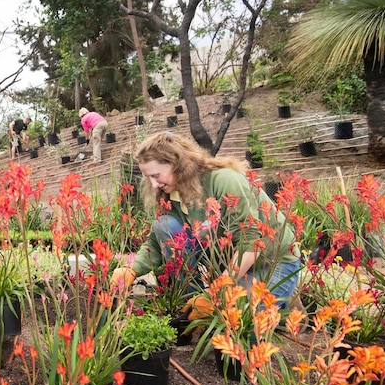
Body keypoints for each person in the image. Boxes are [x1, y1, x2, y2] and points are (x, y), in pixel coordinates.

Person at [111, 132, 300, 308]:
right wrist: (131, 269)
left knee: (240, 324)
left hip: (273, 262)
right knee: (165, 225)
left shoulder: (224, 180)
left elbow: (250, 243)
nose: (153, 184)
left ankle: (287, 304)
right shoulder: (172, 193)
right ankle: (189, 302)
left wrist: (215, 293)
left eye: (156, 175)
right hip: (233, 266)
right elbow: (156, 239)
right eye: (148, 177)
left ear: (176, 164)